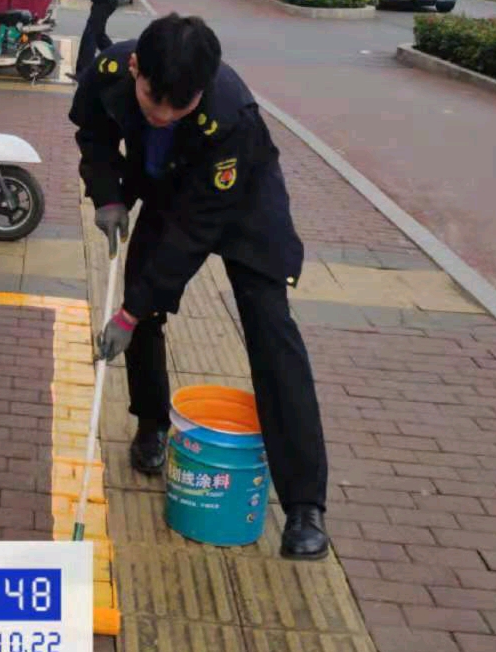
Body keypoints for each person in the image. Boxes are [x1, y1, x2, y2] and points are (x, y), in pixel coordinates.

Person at [67, 13, 330, 560]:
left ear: (202, 90)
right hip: (165, 189)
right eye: (151, 101)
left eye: (178, 107)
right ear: (135, 68)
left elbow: (195, 231)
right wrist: (107, 192)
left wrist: (130, 311)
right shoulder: (109, 70)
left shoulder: (230, 113)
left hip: (240, 204)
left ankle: (305, 503)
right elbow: (93, 132)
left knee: (271, 331)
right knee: (142, 305)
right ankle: (151, 425)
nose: (162, 116)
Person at [71, 0, 117, 79]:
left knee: (90, 36)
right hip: (103, 3)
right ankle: (118, 57)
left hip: (104, 3)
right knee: (99, 36)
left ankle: (84, 73)